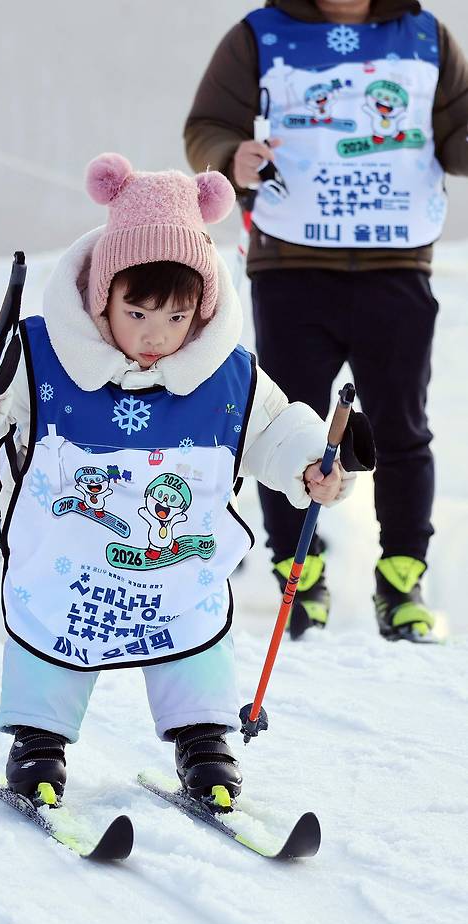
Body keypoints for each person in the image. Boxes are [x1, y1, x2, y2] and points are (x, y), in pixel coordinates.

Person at [0, 153, 354, 807]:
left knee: (191, 630)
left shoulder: (227, 374)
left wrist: (309, 465)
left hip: (174, 563)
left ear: (201, 309)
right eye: (139, 314)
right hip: (70, 559)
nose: (157, 337)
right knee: (54, 624)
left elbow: (273, 431)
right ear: (104, 298)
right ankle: (39, 741)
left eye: (178, 318)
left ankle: (204, 741)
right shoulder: (45, 355)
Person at [184, 0, 468, 643]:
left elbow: (455, 134)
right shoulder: (259, 34)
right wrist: (231, 154)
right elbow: (208, 126)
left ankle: (401, 582)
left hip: (397, 263)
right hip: (291, 267)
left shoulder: (425, 36)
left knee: (401, 429)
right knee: (289, 426)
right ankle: (299, 579)